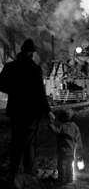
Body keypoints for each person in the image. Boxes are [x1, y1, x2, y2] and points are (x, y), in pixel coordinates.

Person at [0, 38, 55, 176]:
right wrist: (48, 112)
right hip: (30, 112)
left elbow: (0, 84)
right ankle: (29, 172)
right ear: (31, 54)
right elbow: (40, 93)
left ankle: (14, 170)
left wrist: (13, 91)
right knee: (29, 142)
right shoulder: (35, 69)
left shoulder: (10, 66)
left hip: (15, 111)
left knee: (16, 140)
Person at [48, 108, 83, 186]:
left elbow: (55, 131)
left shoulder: (62, 126)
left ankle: (62, 179)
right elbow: (78, 139)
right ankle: (69, 179)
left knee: (62, 165)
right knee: (69, 165)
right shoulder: (75, 127)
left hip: (62, 151)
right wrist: (80, 150)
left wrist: (51, 125)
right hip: (71, 151)